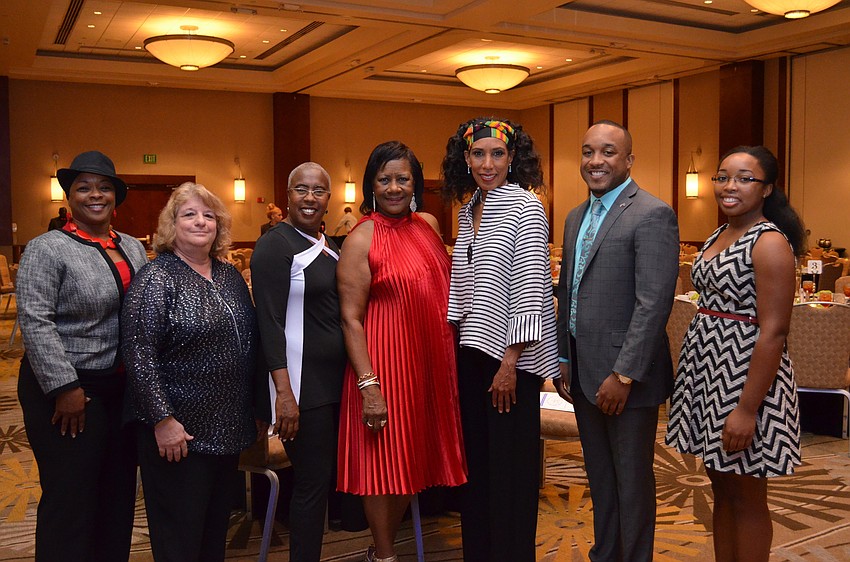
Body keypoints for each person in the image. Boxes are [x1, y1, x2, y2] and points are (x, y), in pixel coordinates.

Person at [666, 146, 804, 561]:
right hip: (708, 372)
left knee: (746, 497)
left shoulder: (769, 242)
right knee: (721, 490)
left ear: (767, 189)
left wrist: (746, 409)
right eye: (723, 177)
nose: (729, 186)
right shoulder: (722, 232)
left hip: (745, 377)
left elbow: (775, 331)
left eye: (745, 178)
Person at [554, 120, 679, 562]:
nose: (595, 161)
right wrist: (564, 360)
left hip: (626, 378)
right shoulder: (573, 216)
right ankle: (604, 554)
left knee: (631, 481)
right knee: (601, 479)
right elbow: (568, 292)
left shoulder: (652, 213)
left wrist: (623, 374)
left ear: (628, 160)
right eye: (588, 151)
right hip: (583, 371)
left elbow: (653, 304)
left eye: (608, 152)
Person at [337, 141, 466, 562]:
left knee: (412, 458)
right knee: (382, 466)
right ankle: (386, 554)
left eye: (402, 179)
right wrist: (368, 385)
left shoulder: (428, 224)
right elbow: (351, 319)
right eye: (385, 179)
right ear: (371, 184)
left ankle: (382, 550)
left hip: (427, 362)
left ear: (416, 183)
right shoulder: (362, 237)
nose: (394, 187)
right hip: (385, 362)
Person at [16, 150, 148, 561]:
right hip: (67, 391)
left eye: (105, 187)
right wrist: (65, 387)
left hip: (119, 390)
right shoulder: (47, 248)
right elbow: (36, 322)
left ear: (116, 196)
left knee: (117, 495)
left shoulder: (132, 247)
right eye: (84, 187)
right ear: (69, 196)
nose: (96, 195)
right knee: (71, 496)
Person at [121, 182, 263, 562]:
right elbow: (139, 354)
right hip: (179, 434)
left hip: (225, 429)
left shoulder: (229, 275)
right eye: (189, 214)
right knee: (180, 537)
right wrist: (162, 419)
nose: (201, 222)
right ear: (171, 225)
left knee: (214, 529)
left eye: (209, 215)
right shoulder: (156, 278)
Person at [441, 117, 558, 562]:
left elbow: (531, 287)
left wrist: (511, 362)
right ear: (465, 159)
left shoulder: (525, 206)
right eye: (478, 154)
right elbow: (464, 283)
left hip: (511, 361)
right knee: (479, 473)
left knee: (510, 476)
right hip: (472, 354)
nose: (487, 163)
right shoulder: (470, 206)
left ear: (513, 158)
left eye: (497, 154)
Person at [252, 162, 346, 562]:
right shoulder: (275, 245)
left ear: (329, 198)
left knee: (321, 483)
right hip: (302, 388)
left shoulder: (328, 244)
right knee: (310, 485)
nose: (310, 198)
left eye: (319, 191)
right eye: (301, 190)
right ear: (288, 195)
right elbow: (268, 324)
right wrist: (284, 395)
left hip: (333, 383)